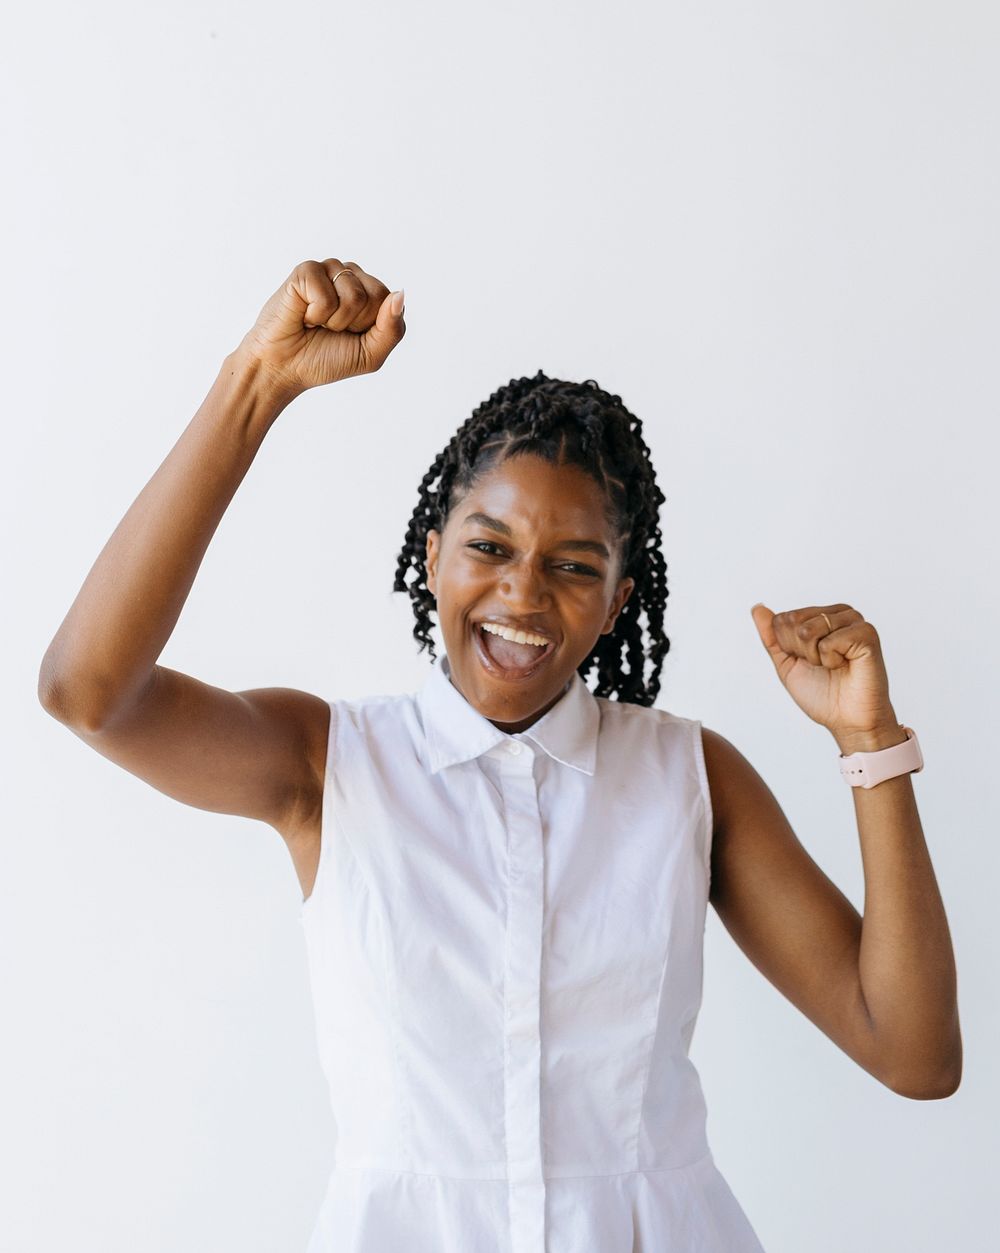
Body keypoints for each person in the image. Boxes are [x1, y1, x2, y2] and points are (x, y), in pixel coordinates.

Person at [38, 257, 962, 1252]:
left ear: (616, 602)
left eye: (571, 566)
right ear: (432, 551)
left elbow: (911, 1052)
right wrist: (255, 383)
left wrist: (870, 743)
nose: (523, 595)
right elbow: (87, 693)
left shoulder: (689, 779)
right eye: (488, 547)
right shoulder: (327, 764)